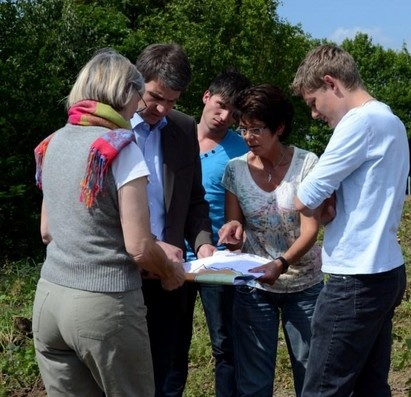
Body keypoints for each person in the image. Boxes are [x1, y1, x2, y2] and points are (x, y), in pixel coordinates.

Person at [31, 49, 186, 397]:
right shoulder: (119, 147)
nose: (139, 107)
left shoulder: (52, 143)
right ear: (127, 92)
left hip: (49, 299)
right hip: (104, 304)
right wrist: (170, 272)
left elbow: (46, 230)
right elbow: (139, 247)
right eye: (139, 96)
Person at [290, 44, 410, 396]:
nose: (314, 114)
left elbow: (304, 197)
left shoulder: (359, 123)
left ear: (332, 83)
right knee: (370, 387)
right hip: (385, 270)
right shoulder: (390, 119)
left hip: (355, 278)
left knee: (323, 389)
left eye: (314, 102)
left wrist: (318, 202)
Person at [218, 84, 323, 397]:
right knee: (253, 380)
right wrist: (232, 232)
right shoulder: (235, 170)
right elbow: (235, 221)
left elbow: (310, 230)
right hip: (255, 286)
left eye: (256, 129)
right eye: (243, 129)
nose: (248, 137)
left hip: (304, 285)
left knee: (310, 372)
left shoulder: (307, 165)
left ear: (279, 127)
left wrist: (282, 263)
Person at [131, 43, 216, 397]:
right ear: (136, 83)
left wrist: (203, 242)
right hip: (123, 275)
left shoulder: (183, 128)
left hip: (170, 276)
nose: (162, 109)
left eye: (173, 101)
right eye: (155, 97)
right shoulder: (110, 126)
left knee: (168, 372)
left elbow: (195, 198)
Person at [170, 70, 251, 397]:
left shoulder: (241, 149)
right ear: (205, 96)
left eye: (233, 112)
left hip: (220, 259)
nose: (224, 116)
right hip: (175, 256)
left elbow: (248, 198)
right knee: (173, 343)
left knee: (225, 344)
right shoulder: (173, 135)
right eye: (220, 106)